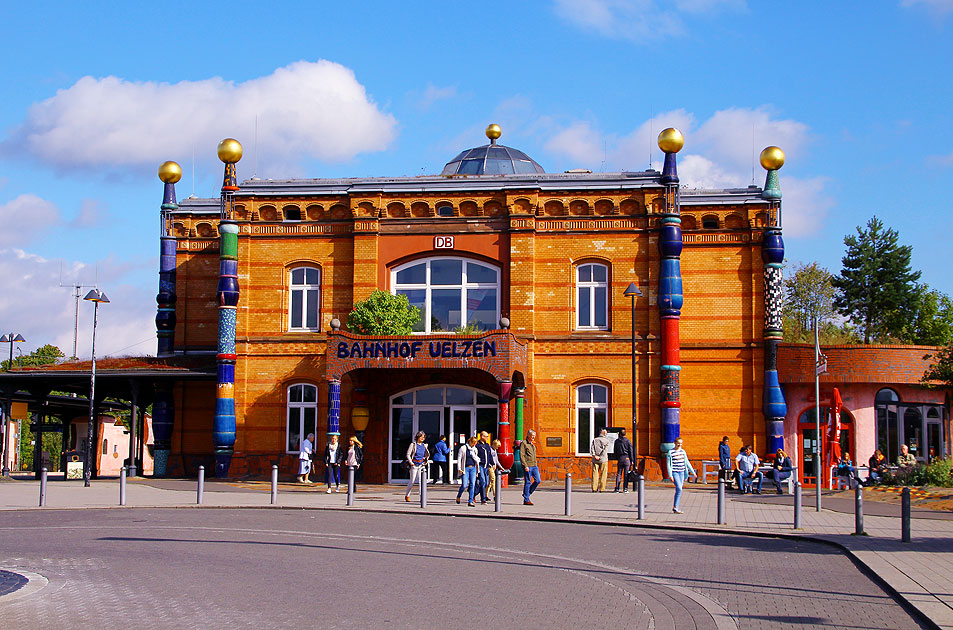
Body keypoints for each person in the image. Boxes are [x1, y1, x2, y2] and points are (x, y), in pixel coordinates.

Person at [668, 437, 696, 514]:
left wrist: (693, 472)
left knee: (679, 490)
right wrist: (670, 475)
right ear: (675, 443)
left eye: (681, 443)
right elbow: (668, 464)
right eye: (678, 443)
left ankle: (675, 507)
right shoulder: (670, 452)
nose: (679, 445)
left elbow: (687, 462)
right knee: (679, 488)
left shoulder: (683, 452)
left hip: (682, 472)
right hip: (675, 472)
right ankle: (676, 507)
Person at [404, 431, 430, 502]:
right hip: (414, 465)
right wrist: (411, 462)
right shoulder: (413, 445)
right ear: (418, 437)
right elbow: (408, 454)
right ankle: (407, 495)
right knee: (412, 481)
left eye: (424, 437)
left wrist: (425, 460)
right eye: (421, 436)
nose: (422, 438)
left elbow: (426, 454)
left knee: (421, 482)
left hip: (421, 465)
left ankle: (422, 498)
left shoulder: (424, 445)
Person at [456, 436, 481, 506]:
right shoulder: (463, 448)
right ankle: (459, 496)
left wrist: (477, 470)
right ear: (470, 441)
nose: (474, 444)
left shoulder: (475, 449)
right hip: (465, 468)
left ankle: (470, 501)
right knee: (464, 485)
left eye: (475, 443)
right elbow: (459, 458)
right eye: (473, 443)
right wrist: (459, 468)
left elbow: (476, 460)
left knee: (472, 484)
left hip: (473, 468)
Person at [520, 430, 540, 505]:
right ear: (528, 435)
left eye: (534, 436)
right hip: (528, 466)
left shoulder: (533, 444)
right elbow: (522, 455)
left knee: (538, 480)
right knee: (528, 482)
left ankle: (527, 493)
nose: (533, 437)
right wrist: (525, 465)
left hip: (534, 465)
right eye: (532, 435)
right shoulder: (524, 443)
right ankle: (526, 499)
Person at [475, 431, 493, 504]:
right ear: (482, 437)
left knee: (486, 484)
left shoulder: (487, 445)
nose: (488, 438)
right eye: (486, 436)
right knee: (482, 482)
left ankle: (473, 494)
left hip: (486, 466)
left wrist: (492, 463)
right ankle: (483, 499)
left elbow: (490, 455)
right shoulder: (478, 446)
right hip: (481, 466)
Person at [613, 428, 633, 493]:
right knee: (626, 474)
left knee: (619, 473)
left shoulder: (617, 441)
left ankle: (617, 488)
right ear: (625, 434)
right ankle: (625, 488)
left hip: (620, 458)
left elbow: (615, 450)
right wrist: (632, 460)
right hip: (627, 458)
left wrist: (617, 457)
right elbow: (631, 451)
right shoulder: (628, 441)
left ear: (619, 434)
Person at [590, 428, 610, 492]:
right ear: (604, 434)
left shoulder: (595, 440)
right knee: (603, 474)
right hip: (603, 459)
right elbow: (605, 450)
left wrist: (595, 455)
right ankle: (602, 488)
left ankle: (594, 488)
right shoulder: (606, 441)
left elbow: (592, 448)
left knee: (595, 474)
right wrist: (600, 457)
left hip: (595, 459)